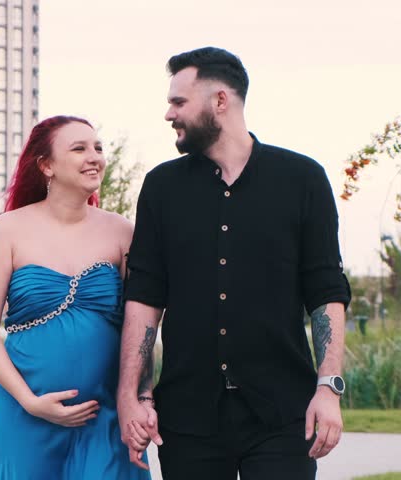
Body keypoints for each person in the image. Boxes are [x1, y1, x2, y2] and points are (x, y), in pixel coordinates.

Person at [117, 47, 351, 479]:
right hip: (188, 418)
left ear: (220, 101)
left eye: (178, 102)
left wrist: (328, 387)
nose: (169, 114)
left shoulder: (303, 180)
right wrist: (133, 395)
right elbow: (145, 298)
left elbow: (326, 293)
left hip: (284, 414)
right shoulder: (161, 188)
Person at [0, 115, 150, 480]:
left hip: (104, 417)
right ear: (46, 165)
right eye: (79, 148)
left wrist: (142, 398)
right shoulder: (7, 230)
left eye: (98, 147)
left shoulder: (123, 233)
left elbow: (142, 323)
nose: (94, 156)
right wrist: (30, 402)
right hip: (24, 417)